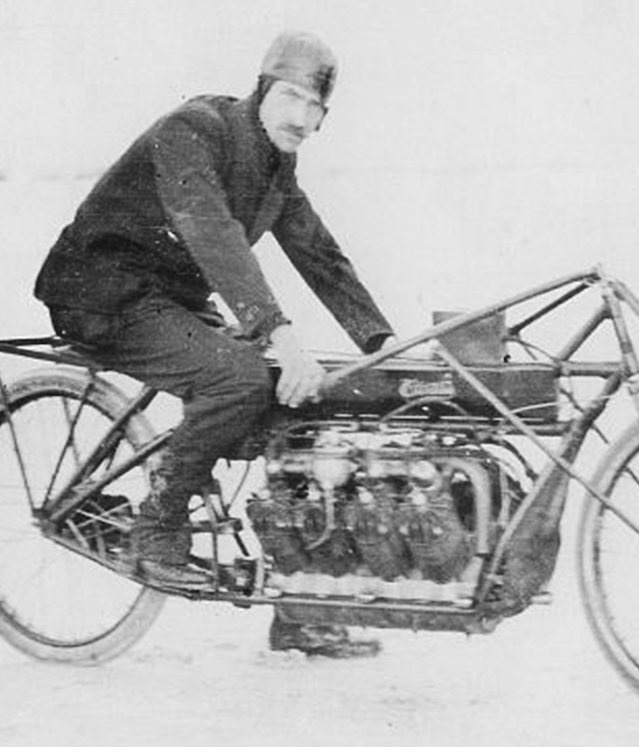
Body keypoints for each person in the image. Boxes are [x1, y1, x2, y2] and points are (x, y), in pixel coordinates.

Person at [32, 31, 395, 657]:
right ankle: (156, 529)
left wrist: (380, 342)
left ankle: (300, 608)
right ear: (262, 89)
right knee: (239, 379)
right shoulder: (193, 130)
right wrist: (277, 332)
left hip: (167, 301)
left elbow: (319, 252)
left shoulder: (275, 164)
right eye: (291, 98)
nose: (302, 119)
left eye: (316, 108)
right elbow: (211, 232)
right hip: (100, 292)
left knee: (297, 398)